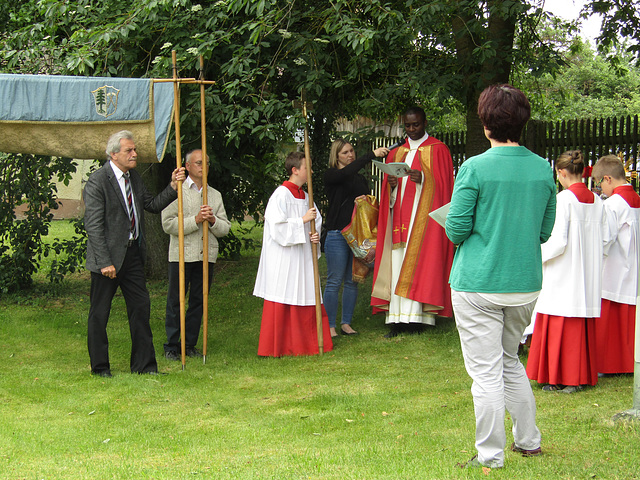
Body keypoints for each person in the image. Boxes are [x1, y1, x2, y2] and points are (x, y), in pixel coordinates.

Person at [445, 84, 556, 469]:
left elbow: (456, 229)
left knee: (486, 373)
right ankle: (528, 441)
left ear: (486, 122)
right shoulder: (543, 168)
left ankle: (490, 456)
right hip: (524, 284)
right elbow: (544, 231)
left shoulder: (475, 167)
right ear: (522, 122)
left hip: (479, 282)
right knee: (509, 361)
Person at [84, 130, 185, 377]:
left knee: (141, 308)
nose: (134, 154)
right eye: (129, 150)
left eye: (134, 149)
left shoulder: (134, 178)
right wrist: (105, 262)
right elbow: (93, 226)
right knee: (99, 314)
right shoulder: (98, 181)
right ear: (113, 154)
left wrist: (173, 186)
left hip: (132, 256)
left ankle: (144, 366)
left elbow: (151, 205)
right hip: (107, 259)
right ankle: (100, 368)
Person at [526, 150, 609, 392]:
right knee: (579, 324)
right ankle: (580, 376)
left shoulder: (563, 200)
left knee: (559, 321)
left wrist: (536, 256)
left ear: (561, 173)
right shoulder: (597, 202)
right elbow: (605, 241)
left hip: (563, 272)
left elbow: (558, 241)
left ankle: (560, 377)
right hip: (587, 273)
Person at [371, 106, 454, 337]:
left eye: (415, 124)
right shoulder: (396, 153)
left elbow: (446, 189)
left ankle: (418, 319)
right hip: (398, 219)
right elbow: (386, 192)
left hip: (423, 222)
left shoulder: (438, 150)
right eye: (407, 125)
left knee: (421, 264)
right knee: (397, 264)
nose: (411, 129)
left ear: (424, 122)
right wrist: (392, 187)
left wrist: (424, 179)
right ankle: (397, 320)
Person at [253, 152, 334, 357]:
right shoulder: (280, 195)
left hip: (302, 256)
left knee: (306, 291)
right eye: (308, 168)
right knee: (284, 293)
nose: (312, 172)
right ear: (295, 170)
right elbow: (277, 229)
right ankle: (279, 345)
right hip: (284, 257)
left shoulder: (307, 197)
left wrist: (313, 236)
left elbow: (315, 222)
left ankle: (307, 344)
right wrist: (302, 220)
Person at [161, 149, 231, 361]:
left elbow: (225, 228)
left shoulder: (215, 195)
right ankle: (172, 346)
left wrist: (212, 221)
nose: (204, 166)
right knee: (176, 301)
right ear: (188, 166)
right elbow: (168, 224)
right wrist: (196, 220)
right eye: (199, 162)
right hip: (181, 255)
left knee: (199, 302)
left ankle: (189, 344)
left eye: (206, 163)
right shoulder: (177, 191)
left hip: (205, 257)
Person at [323, 139, 389, 338]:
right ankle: (330, 326)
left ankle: (346, 323)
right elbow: (345, 174)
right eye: (345, 152)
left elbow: (368, 208)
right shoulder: (332, 174)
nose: (350, 155)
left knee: (352, 281)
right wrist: (370, 155)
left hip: (357, 236)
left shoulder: (359, 179)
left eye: (352, 151)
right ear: (336, 156)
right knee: (334, 281)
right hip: (336, 234)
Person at [592, 154, 639, 375]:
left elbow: (605, 239)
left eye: (599, 182)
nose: (600, 188)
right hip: (633, 266)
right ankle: (630, 362)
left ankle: (609, 364)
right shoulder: (636, 199)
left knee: (610, 319)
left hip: (615, 267)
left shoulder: (612, 204)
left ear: (608, 178)